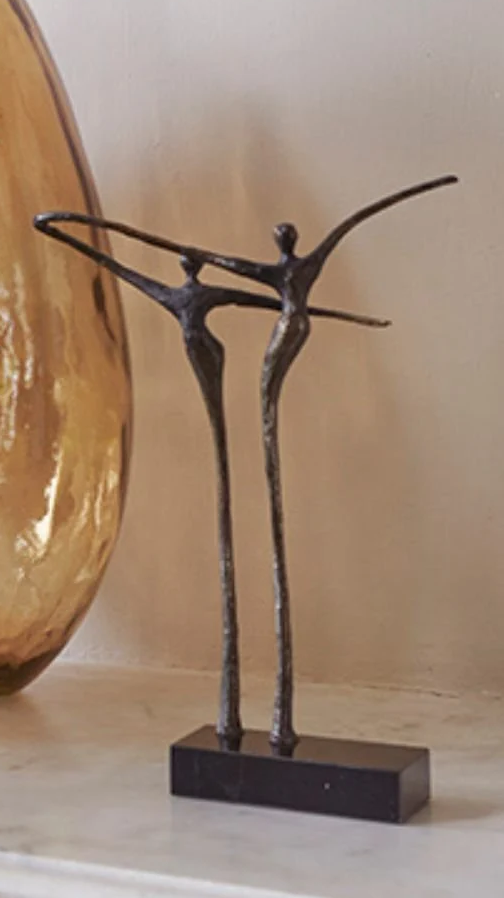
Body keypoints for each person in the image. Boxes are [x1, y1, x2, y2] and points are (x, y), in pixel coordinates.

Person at [36, 209, 394, 748]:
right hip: (224, 352)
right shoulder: (192, 292)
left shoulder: (247, 279)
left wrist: (82, 227)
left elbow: (247, 285)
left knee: (256, 432)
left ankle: (260, 721)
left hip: (267, 339)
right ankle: (244, 720)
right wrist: (69, 227)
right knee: (236, 447)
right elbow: (141, 267)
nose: (282, 237)